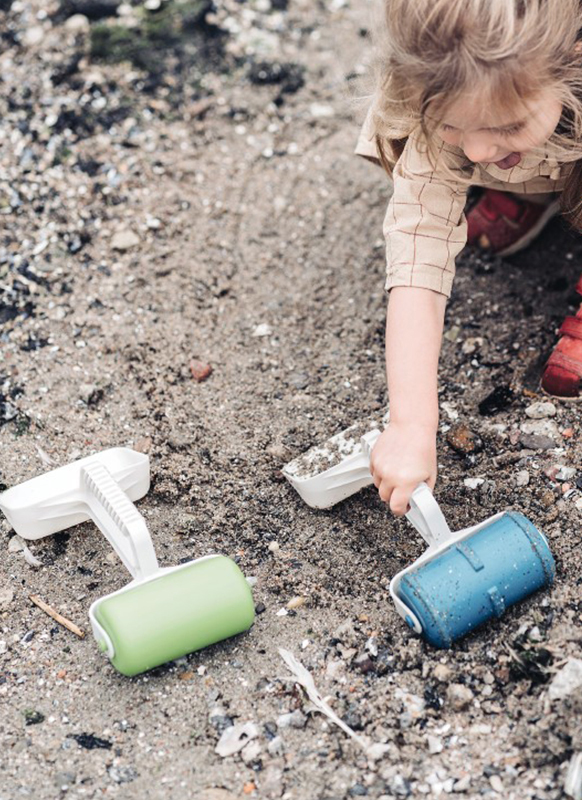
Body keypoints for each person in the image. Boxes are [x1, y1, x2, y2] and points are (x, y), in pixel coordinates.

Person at [356, 0, 582, 515]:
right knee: (441, 160)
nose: (477, 150)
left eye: (506, 125)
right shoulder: (447, 90)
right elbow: (419, 251)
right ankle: (530, 185)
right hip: (547, 134)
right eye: (453, 126)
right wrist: (411, 423)